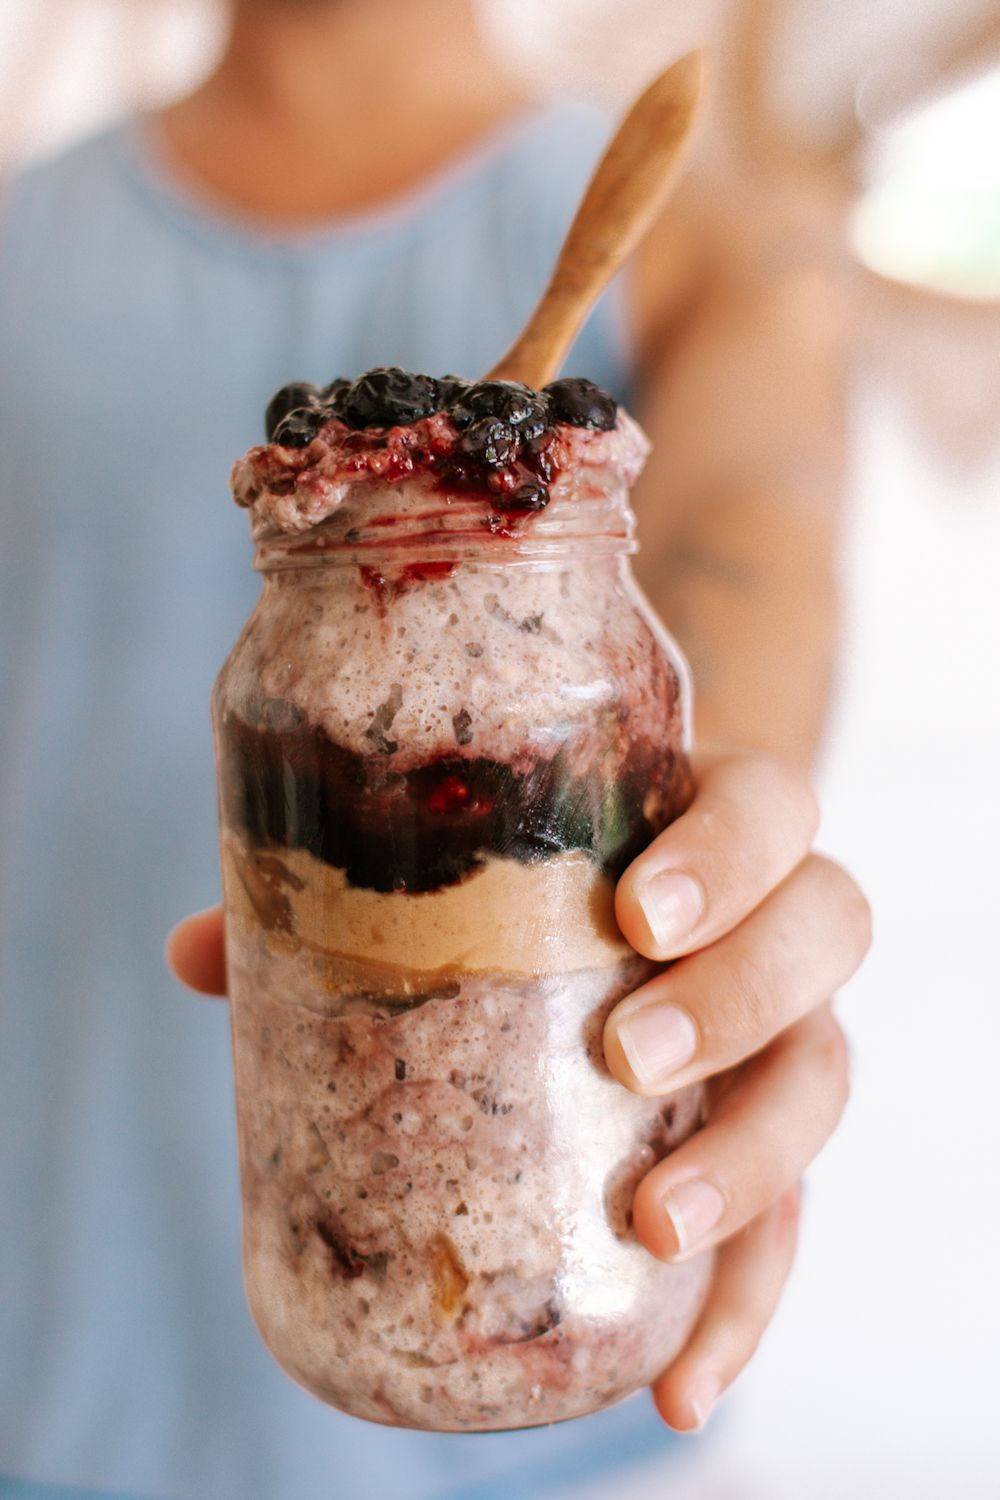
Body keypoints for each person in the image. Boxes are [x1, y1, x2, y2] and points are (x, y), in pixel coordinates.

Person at [0, 1, 870, 1497]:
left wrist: (723, 891)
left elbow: (731, 621)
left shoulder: (730, 253)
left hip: (558, 1377)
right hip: (49, 1342)